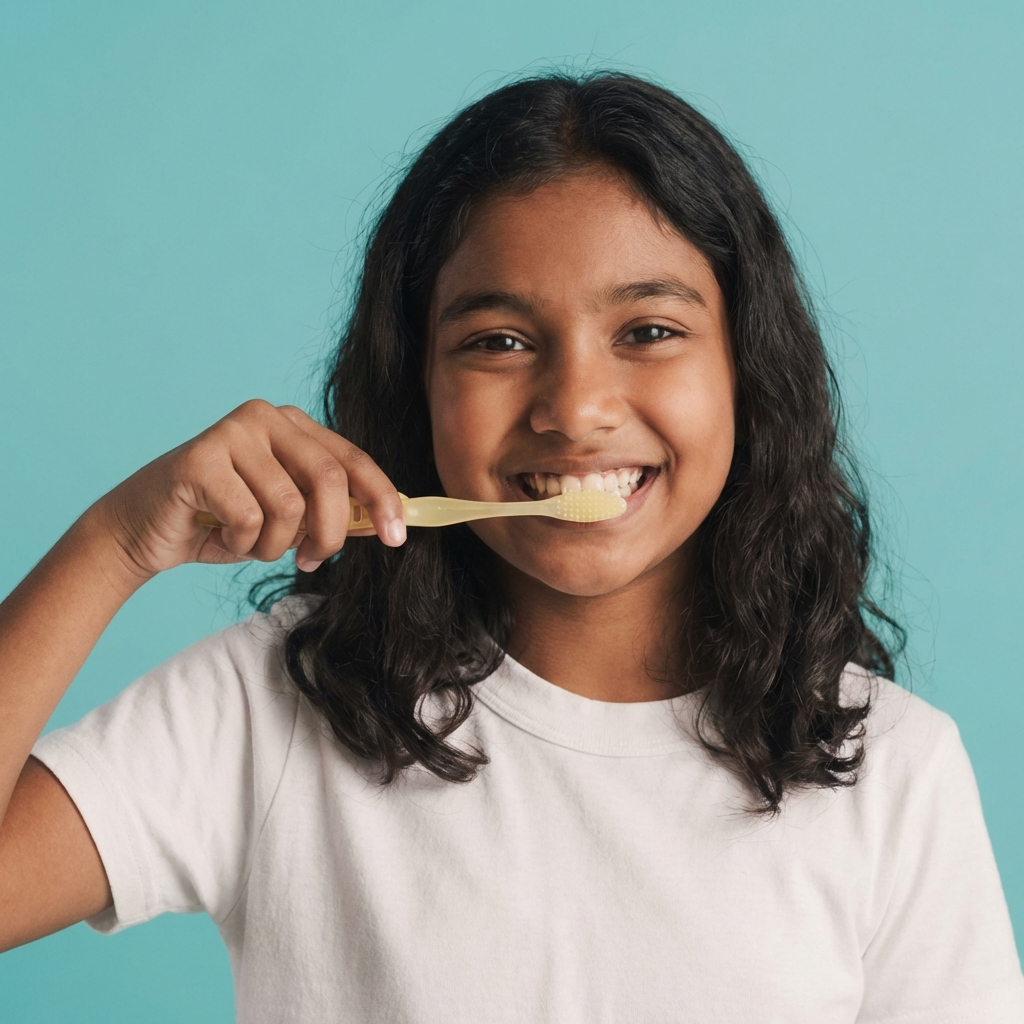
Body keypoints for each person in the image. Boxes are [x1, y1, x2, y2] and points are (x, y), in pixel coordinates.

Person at [0, 72, 1020, 1023]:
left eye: (649, 331)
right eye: (498, 342)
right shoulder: (271, 709)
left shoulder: (893, 768)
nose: (575, 411)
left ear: (747, 367)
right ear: (418, 392)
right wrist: (113, 544)